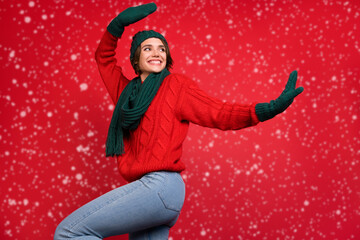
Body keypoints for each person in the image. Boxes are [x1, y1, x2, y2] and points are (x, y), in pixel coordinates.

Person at [54, 3, 304, 240]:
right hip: (149, 191)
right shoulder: (125, 93)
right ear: (136, 59)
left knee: (69, 233)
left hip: (160, 187)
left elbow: (221, 113)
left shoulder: (176, 86)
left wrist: (269, 109)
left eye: (162, 48)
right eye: (148, 48)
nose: (156, 53)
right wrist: (116, 25)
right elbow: (104, 58)